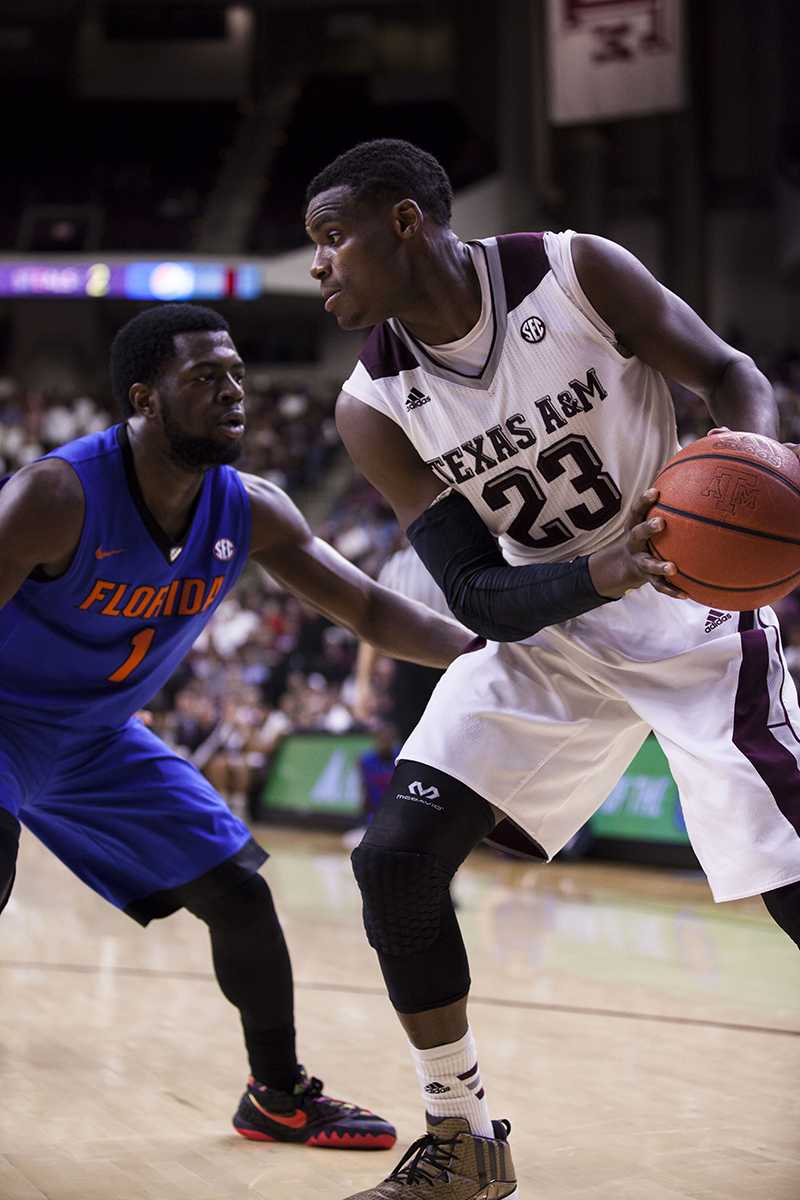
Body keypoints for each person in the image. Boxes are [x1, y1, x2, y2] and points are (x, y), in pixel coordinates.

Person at [304, 138, 800, 1198]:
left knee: (791, 875)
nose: (318, 266)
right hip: (546, 626)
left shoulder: (571, 271)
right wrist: (600, 571)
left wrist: (754, 469)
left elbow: (729, 375)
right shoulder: (371, 406)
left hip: (693, 614)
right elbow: (477, 596)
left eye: (330, 237)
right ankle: (463, 1140)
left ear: (403, 221)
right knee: (393, 860)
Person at [0, 302, 479, 1152]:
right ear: (143, 398)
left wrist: (487, 655)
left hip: (101, 739)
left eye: (236, 376)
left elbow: (368, 606)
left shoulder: (251, 509)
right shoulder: (53, 496)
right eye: (204, 378)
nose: (232, 393)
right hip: (6, 723)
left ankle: (279, 1095)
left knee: (240, 894)